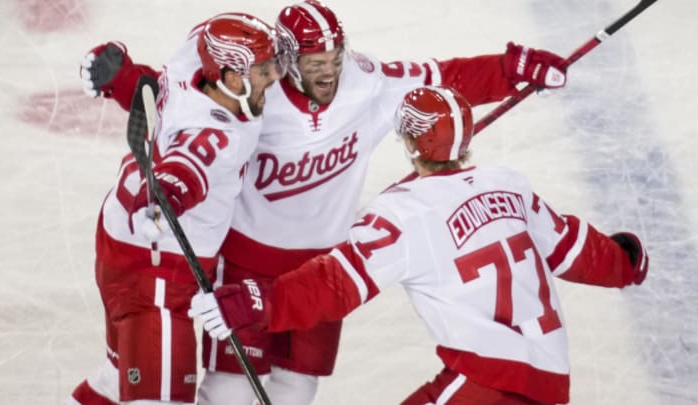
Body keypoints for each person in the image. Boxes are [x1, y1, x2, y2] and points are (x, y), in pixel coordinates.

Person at [78, 1, 570, 403]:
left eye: (334, 59)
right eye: (316, 65)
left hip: (319, 271)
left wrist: (511, 70)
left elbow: (441, 78)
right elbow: (179, 102)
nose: (329, 73)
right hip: (241, 265)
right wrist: (127, 85)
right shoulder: (251, 99)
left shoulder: (364, 82)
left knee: (297, 390)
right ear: (285, 61)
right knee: (229, 392)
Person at [188, 85, 650, 405]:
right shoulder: (510, 186)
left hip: (485, 382)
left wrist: (257, 301)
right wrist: (625, 261)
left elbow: (335, 283)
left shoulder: (402, 213)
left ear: (410, 142)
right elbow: (572, 247)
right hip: (550, 381)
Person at [68, 13, 283, 405]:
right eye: (263, 71)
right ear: (232, 78)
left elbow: (154, 90)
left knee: (121, 379)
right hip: (157, 273)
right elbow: (186, 170)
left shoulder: (193, 60)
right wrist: (162, 200)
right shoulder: (218, 135)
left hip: (123, 245)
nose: (273, 78)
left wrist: (121, 77)